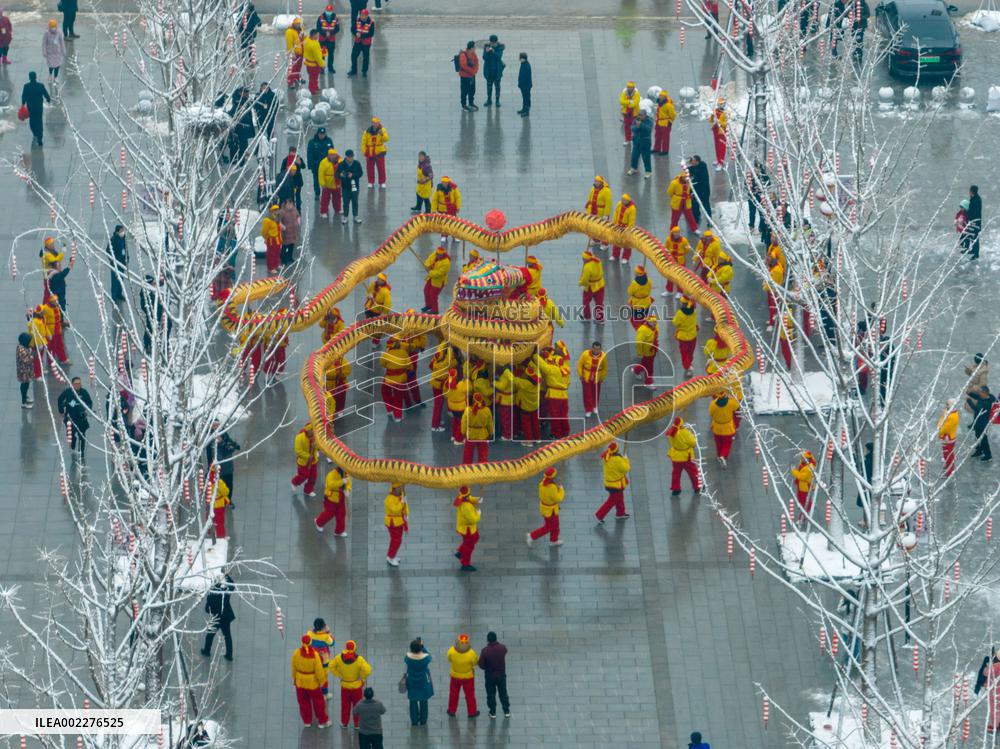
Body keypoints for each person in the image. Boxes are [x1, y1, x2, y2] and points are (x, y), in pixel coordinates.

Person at [329, 640, 372, 728]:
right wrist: (362, 677)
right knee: (357, 705)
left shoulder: (339, 658)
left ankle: (344, 723)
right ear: (354, 648)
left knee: (345, 706)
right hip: (357, 687)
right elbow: (368, 670)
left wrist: (338, 674)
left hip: (345, 686)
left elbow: (331, 665)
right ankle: (357, 724)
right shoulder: (359, 659)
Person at [291, 634, 331, 727]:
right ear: (310, 642)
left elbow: (293, 667)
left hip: (300, 681)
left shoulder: (296, 653)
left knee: (303, 702)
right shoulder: (315, 655)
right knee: (318, 702)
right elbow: (319, 670)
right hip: (313, 683)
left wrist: (294, 679)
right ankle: (322, 721)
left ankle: (307, 721)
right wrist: (322, 681)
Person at [200, 574, 235, 661]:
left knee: (210, 635)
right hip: (225, 617)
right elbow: (232, 586)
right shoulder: (224, 592)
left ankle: (207, 651)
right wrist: (227, 575)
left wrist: (212, 611)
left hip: (216, 618)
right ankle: (229, 655)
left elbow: (207, 609)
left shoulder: (211, 595)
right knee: (227, 636)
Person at [527, 467, 564, 545]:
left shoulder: (542, 483)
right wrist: (561, 489)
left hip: (546, 509)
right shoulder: (552, 487)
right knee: (549, 527)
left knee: (555, 526)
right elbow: (558, 499)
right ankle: (532, 536)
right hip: (551, 510)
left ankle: (554, 540)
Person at [58, 377, 93, 461]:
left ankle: (81, 451)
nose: (78, 385)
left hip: (81, 418)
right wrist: (61, 411)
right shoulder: (68, 392)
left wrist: (87, 410)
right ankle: (73, 445)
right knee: (71, 435)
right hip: (70, 418)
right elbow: (60, 399)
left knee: (82, 435)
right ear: (72, 384)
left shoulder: (84, 392)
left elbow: (89, 402)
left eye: (79, 383)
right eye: (76, 384)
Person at [595, 442, 630, 522]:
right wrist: (625, 459)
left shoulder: (607, 456)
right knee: (611, 501)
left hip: (610, 483)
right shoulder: (618, 459)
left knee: (620, 498)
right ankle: (599, 515)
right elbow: (625, 468)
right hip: (616, 485)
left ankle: (620, 513)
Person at [446, 634, 480, 717]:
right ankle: (472, 712)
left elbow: (449, 659)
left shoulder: (451, 651)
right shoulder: (471, 653)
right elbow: (475, 663)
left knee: (453, 694)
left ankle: (451, 710)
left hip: (455, 676)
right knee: (470, 695)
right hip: (468, 677)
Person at [478, 632, 510, 719]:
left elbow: (481, 665)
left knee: (491, 694)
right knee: (503, 693)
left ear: (488, 640)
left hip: (490, 676)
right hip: (501, 675)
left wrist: (487, 667)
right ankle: (506, 711)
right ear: (496, 638)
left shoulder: (485, 650)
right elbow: (505, 651)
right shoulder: (502, 648)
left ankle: (493, 712)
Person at [379, 336, 410, 422]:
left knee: (385, 392)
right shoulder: (404, 353)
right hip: (401, 379)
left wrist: (390, 366)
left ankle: (389, 409)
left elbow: (382, 363)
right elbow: (409, 365)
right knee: (398, 398)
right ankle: (398, 416)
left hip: (389, 378)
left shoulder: (387, 353)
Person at [667, 417, 701, 495]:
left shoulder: (671, 432)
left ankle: (675, 489)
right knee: (693, 472)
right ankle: (697, 487)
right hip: (686, 456)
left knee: (676, 473)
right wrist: (692, 436)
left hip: (675, 456)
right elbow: (693, 442)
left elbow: (671, 442)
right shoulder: (685, 432)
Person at [206, 423, 241, 496]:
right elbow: (209, 455)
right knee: (220, 489)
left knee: (229, 487)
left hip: (228, 468)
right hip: (218, 469)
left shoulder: (224, 434)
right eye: (214, 425)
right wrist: (210, 469)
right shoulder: (210, 439)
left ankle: (228, 500)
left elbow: (230, 447)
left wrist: (233, 445)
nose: (216, 427)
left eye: (217, 425)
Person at [404, 639, 434, 725]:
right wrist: (422, 647)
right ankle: (423, 720)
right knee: (424, 701)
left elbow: (405, 668)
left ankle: (414, 720)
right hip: (423, 683)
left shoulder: (407, 658)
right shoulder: (426, 658)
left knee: (413, 702)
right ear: (420, 648)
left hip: (412, 683)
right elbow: (429, 655)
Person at [576, 341, 607, 417]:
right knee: (587, 394)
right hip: (586, 377)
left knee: (596, 393)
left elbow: (605, 367)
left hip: (597, 378)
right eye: (595, 349)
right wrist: (580, 375)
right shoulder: (585, 354)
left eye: (598, 349)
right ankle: (588, 409)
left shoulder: (603, 356)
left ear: (600, 349)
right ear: (592, 348)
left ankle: (595, 406)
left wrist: (602, 377)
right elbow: (580, 364)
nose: (596, 351)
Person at [454, 486, 481, 571]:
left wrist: (477, 499)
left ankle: (461, 552)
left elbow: (470, 498)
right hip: (468, 529)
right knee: (469, 547)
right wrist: (478, 514)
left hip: (468, 528)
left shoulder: (464, 498)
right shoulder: (466, 507)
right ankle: (465, 564)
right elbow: (473, 519)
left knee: (475, 538)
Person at [461, 392, 493, 463]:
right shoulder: (487, 410)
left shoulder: (468, 410)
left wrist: (463, 432)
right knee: (483, 453)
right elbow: (490, 423)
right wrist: (491, 432)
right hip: (482, 434)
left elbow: (464, 422)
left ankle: (467, 467)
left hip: (470, 434)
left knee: (468, 453)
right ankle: (483, 467)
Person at [21, 71, 51, 147]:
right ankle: (40, 137)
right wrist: (48, 99)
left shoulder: (26, 86)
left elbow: (24, 96)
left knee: (32, 121)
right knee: (39, 122)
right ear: (35, 77)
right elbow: (46, 94)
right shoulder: (40, 86)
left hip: (30, 108)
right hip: (39, 108)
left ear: (29, 78)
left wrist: (23, 104)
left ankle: (35, 134)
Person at [290, 422, 319, 496]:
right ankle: (294, 482)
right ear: (308, 430)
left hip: (313, 461)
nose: (313, 431)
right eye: (312, 430)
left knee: (313, 477)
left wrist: (315, 446)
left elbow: (318, 448)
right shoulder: (299, 437)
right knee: (303, 475)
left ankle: (308, 490)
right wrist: (308, 456)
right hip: (303, 462)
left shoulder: (315, 437)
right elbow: (298, 451)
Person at [967, 385, 995, 462]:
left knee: (983, 439)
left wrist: (969, 400)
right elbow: (976, 396)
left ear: (984, 393)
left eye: (980, 392)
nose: (978, 393)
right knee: (977, 436)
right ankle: (979, 450)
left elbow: (976, 409)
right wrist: (969, 392)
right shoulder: (987, 396)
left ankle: (988, 456)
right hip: (978, 421)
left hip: (982, 424)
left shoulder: (986, 403)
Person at [672, 297, 698, 376]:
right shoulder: (694, 311)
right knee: (690, 351)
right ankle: (689, 363)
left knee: (684, 353)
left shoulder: (680, 313)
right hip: (693, 335)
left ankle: (688, 367)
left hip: (683, 337)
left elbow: (675, 323)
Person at [335, 149, 364, 224]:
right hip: (345, 187)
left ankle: (355, 216)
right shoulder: (341, 164)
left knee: (355, 202)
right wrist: (340, 175)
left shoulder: (357, 163)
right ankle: (345, 216)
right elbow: (336, 174)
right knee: (346, 203)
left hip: (355, 187)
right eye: (350, 157)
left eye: (352, 156)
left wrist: (353, 175)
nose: (351, 158)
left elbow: (360, 173)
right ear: (346, 157)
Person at [307, 127, 335, 198]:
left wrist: (333, 162)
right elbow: (309, 154)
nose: (322, 135)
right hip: (316, 165)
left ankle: (326, 193)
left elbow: (332, 152)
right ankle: (317, 193)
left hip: (327, 165)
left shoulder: (329, 141)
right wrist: (310, 165)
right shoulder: (312, 142)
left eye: (323, 134)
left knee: (326, 179)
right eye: (320, 134)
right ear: (318, 134)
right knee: (316, 180)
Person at [361, 116, 388, 188]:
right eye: (374, 123)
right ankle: (370, 181)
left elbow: (386, 139)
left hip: (379, 152)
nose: (376, 124)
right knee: (369, 168)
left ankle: (382, 182)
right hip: (370, 152)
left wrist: (382, 134)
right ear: (372, 123)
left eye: (377, 123)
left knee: (381, 168)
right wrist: (364, 151)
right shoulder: (367, 132)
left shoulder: (382, 130)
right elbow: (363, 143)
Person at [578, 249, 605, 323]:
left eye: (583, 259)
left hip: (591, 286)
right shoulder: (598, 261)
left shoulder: (587, 267)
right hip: (600, 284)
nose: (582, 260)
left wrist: (580, 283)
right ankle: (600, 318)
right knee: (599, 302)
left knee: (586, 301)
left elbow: (585, 280)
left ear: (585, 259)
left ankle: (587, 317)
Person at [384, 483, 408, 566]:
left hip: (399, 521)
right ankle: (391, 557)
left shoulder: (400, 495)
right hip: (393, 523)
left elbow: (405, 506)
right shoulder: (389, 499)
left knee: (396, 540)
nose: (401, 489)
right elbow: (395, 510)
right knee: (396, 540)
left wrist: (406, 514)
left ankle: (391, 555)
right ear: (395, 488)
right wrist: (402, 502)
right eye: (400, 487)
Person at [422, 245, 450, 313]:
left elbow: (439, 273)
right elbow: (429, 260)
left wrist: (430, 272)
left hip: (439, 281)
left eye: (438, 255)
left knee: (433, 295)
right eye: (436, 254)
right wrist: (427, 265)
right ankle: (428, 305)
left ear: (442, 255)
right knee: (426, 290)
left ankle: (435, 310)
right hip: (432, 277)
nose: (436, 255)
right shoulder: (435, 254)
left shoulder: (446, 262)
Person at [633, 312, 659, 386]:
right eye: (652, 322)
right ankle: (648, 382)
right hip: (647, 351)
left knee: (645, 363)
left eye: (655, 321)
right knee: (649, 367)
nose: (654, 323)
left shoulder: (655, 326)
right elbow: (639, 343)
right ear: (648, 321)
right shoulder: (642, 330)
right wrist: (640, 353)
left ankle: (636, 370)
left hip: (653, 349)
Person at [611, 193, 639, 262]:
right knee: (616, 241)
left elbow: (631, 220)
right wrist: (614, 222)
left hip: (626, 227)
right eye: (622, 199)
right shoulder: (619, 204)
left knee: (626, 243)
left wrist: (628, 229)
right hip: (618, 225)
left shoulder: (632, 209)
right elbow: (616, 213)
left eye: (624, 200)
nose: (622, 201)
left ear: (628, 201)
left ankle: (625, 257)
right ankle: (615, 255)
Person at [791, 451, 817, 522]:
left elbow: (801, 477)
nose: (801, 459)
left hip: (805, 487)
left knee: (804, 501)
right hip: (802, 486)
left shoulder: (809, 468)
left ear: (807, 459)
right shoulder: (805, 463)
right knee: (802, 500)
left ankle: (803, 516)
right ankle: (804, 513)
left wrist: (794, 471)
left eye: (803, 458)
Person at [347, 9, 374, 77]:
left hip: (366, 43)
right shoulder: (357, 20)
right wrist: (356, 33)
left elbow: (371, 33)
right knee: (353, 56)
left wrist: (361, 35)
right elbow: (352, 29)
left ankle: (364, 71)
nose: (363, 16)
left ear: (367, 15)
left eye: (364, 15)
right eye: (362, 15)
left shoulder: (371, 22)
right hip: (358, 42)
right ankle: (354, 70)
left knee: (366, 57)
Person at [627, 110, 653, 177]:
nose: (639, 116)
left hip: (645, 142)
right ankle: (633, 168)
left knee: (646, 157)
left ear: (645, 115)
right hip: (636, 141)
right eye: (639, 115)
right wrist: (637, 126)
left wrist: (640, 125)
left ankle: (648, 171)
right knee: (634, 156)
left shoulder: (649, 121)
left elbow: (648, 130)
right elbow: (632, 128)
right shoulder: (636, 120)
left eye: (641, 115)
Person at [317, 148, 342, 218]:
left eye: (334, 154)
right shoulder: (323, 162)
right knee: (325, 199)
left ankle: (338, 209)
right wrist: (322, 184)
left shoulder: (340, 161)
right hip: (327, 184)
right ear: (328, 155)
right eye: (331, 155)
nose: (333, 156)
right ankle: (323, 211)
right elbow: (320, 174)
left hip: (337, 183)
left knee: (337, 198)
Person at [687, 155, 712, 224]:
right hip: (696, 191)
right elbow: (689, 169)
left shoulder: (702, 167)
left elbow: (697, 176)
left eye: (693, 161)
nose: (691, 162)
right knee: (694, 205)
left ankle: (709, 220)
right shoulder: (695, 167)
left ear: (697, 161)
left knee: (706, 205)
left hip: (704, 191)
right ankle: (696, 218)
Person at [107, 225, 128, 303]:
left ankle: (119, 294)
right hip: (115, 263)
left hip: (122, 262)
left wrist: (127, 258)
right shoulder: (113, 239)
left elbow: (126, 249)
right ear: (117, 232)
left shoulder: (124, 238)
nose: (123, 232)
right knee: (115, 280)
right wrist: (113, 260)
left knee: (121, 279)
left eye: (123, 230)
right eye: (121, 231)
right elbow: (108, 250)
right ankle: (114, 296)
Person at [937, 399, 959, 477]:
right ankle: (948, 466)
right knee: (946, 453)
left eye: (947, 404)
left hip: (948, 438)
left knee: (948, 455)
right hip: (946, 437)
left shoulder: (952, 417)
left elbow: (945, 428)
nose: (946, 405)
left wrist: (938, 430)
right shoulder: (948, 412)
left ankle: (950, 471)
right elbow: (942, 420)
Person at [315, 5, 340, 73]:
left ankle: (330, 68)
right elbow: (318, 28)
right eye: (328, 10)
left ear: (332, 11)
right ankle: (321, 68)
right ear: (325, 10)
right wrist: (325, 33)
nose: (329, 12)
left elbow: (337, 28)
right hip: (322, 39)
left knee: (331, 54)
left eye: (330, 11)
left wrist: (331, 33)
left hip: (331, 39)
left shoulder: (335, 18)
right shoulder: (320, 17)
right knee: (322, 54)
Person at [303, 29, 327, 94]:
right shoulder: (315, 44)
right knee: (314, 78)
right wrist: (322, 64)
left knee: (311, 77)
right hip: (314, 65)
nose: (318, 36)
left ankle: (315, 87)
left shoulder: (306, 40)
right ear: (314, 35)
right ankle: (312, 90)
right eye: (317, 35)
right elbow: (318, 57)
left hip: (308, 63)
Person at [457, 40, 479, 111]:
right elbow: (463, 66)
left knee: (472, 90)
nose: (475, 48)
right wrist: (472, 71)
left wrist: (475, 70)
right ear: (471, 48)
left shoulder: (473, 54)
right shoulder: (463, 55)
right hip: (465, 76)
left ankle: (471, 103)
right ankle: (464, 105)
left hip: (472, 75)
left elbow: (476, 62)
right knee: (464, 90)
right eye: (474, 47)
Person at [483, 35, 505, 107]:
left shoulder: (500, 47)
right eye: (491, 43)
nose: (492, 45)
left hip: (497, 71)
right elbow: (484, 58)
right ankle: (489, 100)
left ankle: (497, 101)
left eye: (493, 43)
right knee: (489, 86)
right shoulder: (487, 46)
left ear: (496, 42)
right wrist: (486, 52)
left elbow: (499, 57)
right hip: (489, 71)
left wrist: (493, 51)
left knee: (497, 86)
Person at [260, 204, 282, 275]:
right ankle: (271, 267)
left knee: (277, 253)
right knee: (271, 254)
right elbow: (263, 232)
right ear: (271, 211)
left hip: (278, 239)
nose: (276, 211)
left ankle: (276, 265)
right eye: (274, 210)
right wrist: (266, 238)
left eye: (277, 210)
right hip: (271, 240)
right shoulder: (267, 220)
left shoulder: (278, 218)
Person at [653, 89, 676, 154]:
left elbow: (673, 114)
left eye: (662, 96)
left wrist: (670, 121)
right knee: (657, 136)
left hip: (665, 123)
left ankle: (665, 150)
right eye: (660, 95)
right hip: (659, 122)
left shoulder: (668, 105)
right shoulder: (660, 103)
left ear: (665, 97)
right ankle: (656, 148)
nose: (660, 97)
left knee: (665, 138)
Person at [278, 198, 300, 266]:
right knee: (284, 246)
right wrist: (282, 227)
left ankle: (290, 257)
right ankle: (283, 259)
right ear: (285, 204)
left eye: (291, 204)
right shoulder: (282, 212)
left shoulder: (294, 209)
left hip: (293, 232)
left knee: (291, 246)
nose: (290, 205)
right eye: (288, 204)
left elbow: (297, 215)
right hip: (286, 233)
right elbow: (278, 221)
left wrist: (298, 221)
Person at [284, 17, 304, 88]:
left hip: (300, 52)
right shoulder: (289, 32)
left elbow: (303, 40)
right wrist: (292, 54)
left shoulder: (300, 30)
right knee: (292, 68)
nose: (298, 25)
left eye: (299, 23)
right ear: (294, 24)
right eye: (297, 23)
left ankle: (297, 78)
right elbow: (289, 44)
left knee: (298, 67)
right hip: (294, 53)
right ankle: (290, 82)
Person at [15, 333, 34, 407]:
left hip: (26, 370)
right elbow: (26, 360)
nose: (29, 343)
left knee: (26, 384)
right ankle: (24, 402)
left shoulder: (23, 346)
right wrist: (33, 356)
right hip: (23, 371)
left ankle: (25, 397)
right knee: (24, 385)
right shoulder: (21, 350)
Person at [619, 81, 640, 146]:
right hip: (626, 113)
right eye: (628, 87)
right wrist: (629, 102)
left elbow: (636, 103)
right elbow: (621, 101)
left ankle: (636, 139)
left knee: (635, 127)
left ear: (633, 87)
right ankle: (627, 140)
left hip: (634, 114)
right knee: (627, 127)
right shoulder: (624, 93)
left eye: (631, 87)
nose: (629, 88)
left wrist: (628, 104)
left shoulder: (636, 94)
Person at [709, 98, 728, 170]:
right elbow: (711, 121)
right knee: (716, 146)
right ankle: (718, 160)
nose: (721, 105)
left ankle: (721, 163)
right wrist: (712, 116)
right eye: (720, 104)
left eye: (722, 104)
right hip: (715, 130)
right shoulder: (715, 111)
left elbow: (726, 124)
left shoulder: (726, 113)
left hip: (722, 132)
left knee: (721, 148)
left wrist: (719, 121)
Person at [966, 185, 982, 259]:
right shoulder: (974, 198)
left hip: (975, 222)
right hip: (973, 221)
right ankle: (972, 250)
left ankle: (976, 254)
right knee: (972, 236)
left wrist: (968, 215)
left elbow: (974, 212)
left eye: (969, 190)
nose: (969, 192)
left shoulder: (976, 200)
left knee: (975, 237)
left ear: (972, 191)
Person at [516, 52, 532, 116]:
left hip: (526, 86)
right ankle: (524, 109)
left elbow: (525, 78)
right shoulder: (524, 64)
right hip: (524, 85)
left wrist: (521, 84)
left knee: (526, 98)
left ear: (523, 58)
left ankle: (526, 111)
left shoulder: (526, 66)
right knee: (524, 98)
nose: (519, 59)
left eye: (520, 58)